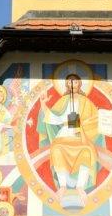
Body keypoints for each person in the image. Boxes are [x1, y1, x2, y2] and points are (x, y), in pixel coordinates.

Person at [38, 74, 101, 203]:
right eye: (70, 83)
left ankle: (80, 186)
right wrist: (43, 104)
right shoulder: (63, 101)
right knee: (56, 149)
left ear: (79, 84)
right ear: (67, 85)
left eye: (75, 82)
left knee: (87, 151)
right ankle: (62, 186)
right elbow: (53, 118)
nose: (72, 85)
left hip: (81, 134)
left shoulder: (86, 102)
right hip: (65, 133)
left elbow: (96, 120)